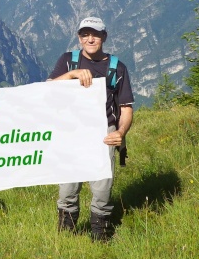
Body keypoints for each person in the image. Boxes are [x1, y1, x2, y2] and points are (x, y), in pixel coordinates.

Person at [46, 17, 134, 241]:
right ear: (79, 37)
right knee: (67, 188)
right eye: (85, 34)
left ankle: (100, 235)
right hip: (71, 131)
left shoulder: (117, 67)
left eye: (95, 34)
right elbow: (46, 91)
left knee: (102, 188)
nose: (90, 39)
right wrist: (70, 76)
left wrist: (120, 133)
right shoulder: (68, 61)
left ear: (104, 37)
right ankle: (66, 235)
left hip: (104, 131)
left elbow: (125, 108)